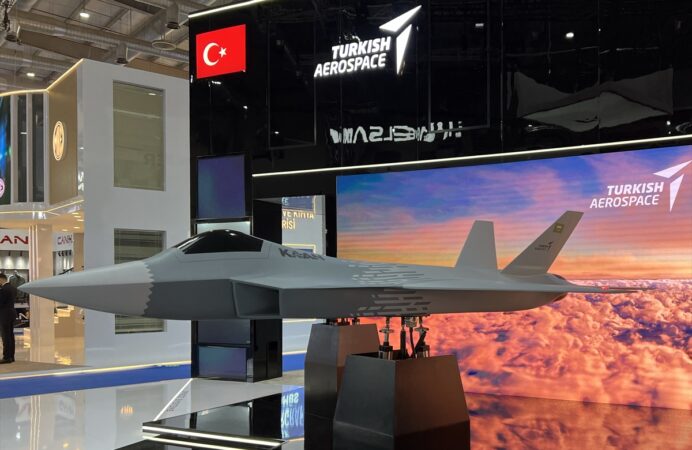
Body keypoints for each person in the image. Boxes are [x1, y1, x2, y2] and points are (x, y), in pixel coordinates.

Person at [0, 272, 17, 364]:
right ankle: (11, 356)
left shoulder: (4, 289)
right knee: (10, 336)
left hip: (5, 315)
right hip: (11, 313)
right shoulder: (12, 288)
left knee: (5, 336)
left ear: (1, 279)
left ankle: (6, 357)